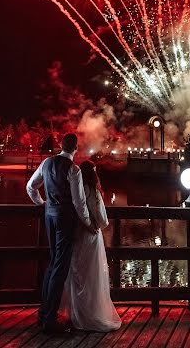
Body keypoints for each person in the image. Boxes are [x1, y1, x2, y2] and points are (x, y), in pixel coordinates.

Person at [26, 132, 96, 333]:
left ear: (61, 145)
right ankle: (49, 320)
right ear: (76, 148)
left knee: (53, 264)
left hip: (50, 216)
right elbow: (79, 202)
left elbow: (31, 187)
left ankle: (43, 313)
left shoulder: (47, 163)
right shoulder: (73, 169)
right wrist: (89, 223)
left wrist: (42, 203)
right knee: (60, 267)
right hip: (65, 219)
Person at [60, 160, 122, 332]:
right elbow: (102, 220)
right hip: (90, 235)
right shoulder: (93, 192)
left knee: (77, 274)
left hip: (76, 235)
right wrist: (99, 223)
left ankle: (76, 314)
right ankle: (91, 314)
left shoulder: (75, 190)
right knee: (92, 275)